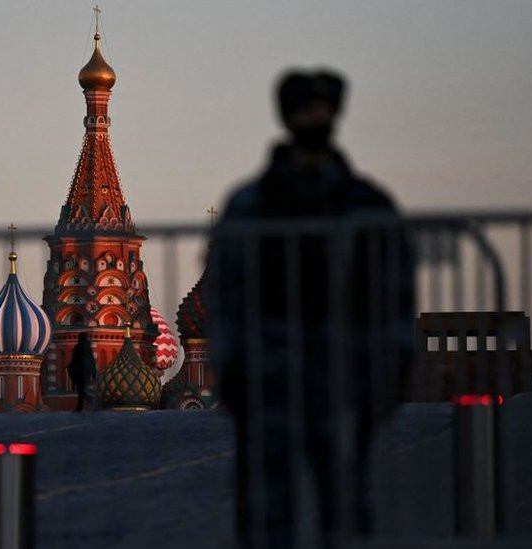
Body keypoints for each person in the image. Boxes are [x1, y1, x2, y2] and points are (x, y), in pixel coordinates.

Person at [209, 69, 415, 549]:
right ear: (286, 116)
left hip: (344, 377)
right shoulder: (251, 205)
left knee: (344, 509)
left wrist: (393, 367)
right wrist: (231, 367)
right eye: (304, 109)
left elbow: (395, 292)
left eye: (321, 109)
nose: (314, 118)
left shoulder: (367, 203)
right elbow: (226, 292)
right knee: (266, 512)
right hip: (270, 380)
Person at [68, 332, 96, 412]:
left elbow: (74, 359)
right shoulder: (88, 348)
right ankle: (81, 406)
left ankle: (88, 401)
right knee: (82, 389)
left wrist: (71, 367)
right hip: (86, 372)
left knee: (80, 390)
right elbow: (92, 361)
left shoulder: (78, 347)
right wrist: (94, 373)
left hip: (79, 371)